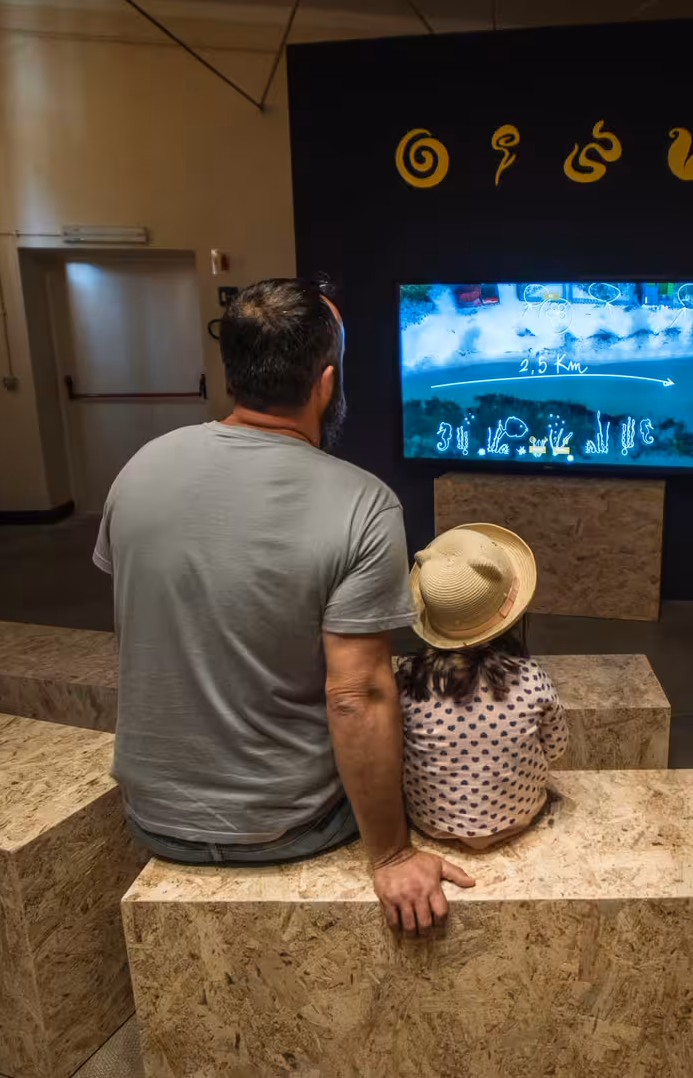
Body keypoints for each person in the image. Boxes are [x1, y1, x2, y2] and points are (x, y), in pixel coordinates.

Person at [93, 277, 473, 935]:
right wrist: (391, 853)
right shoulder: (365, 503)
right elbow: (356, 697)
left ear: (232, 374)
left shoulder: (139, 470)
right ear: (326, 383)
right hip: (289, 827)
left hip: (152, 817)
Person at [395, 525, 565, 850]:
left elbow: (396, 751)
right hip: (518, 816)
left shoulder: (407, 679)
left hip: (431, 822)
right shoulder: (531, 678)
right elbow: (556, 747)